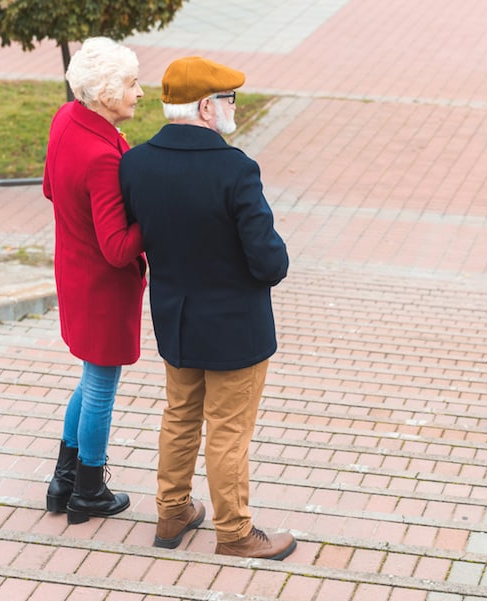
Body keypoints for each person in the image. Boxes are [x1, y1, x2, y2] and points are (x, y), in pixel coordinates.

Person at [119, 56, 295, 560]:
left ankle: (172, 511)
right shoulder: (235, 169)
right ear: (204, 107)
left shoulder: (136, 163)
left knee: (179, 417)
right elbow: (269, 262)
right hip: (235, 327)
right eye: (227, 99)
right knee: (228, 430)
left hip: (175, 318)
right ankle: (235, 532)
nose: (232, 107)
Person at [42, 37, 146, 525]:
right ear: (105, 93)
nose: (139, 92)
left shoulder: (66, 119)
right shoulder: (103, 157)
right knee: (101, 385)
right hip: (103, 287)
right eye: (131, 83)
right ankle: (88, 490)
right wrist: (153, 215)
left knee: (89, 379)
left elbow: (50, 188)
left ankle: (62, 482)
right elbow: (119, 248)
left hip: (74, 271)